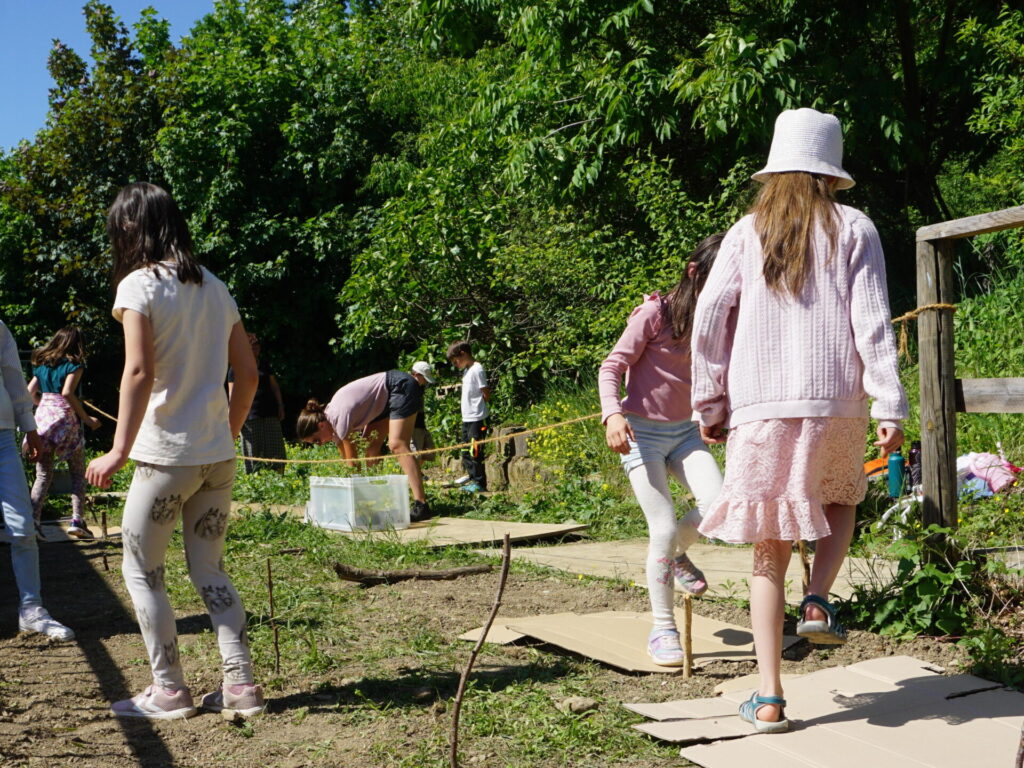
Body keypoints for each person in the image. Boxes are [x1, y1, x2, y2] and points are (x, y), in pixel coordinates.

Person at [691, 108, 906, 733]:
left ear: (774, 171)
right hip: (837, 400)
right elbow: (872, 321)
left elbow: (708, 321)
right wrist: (889, 403)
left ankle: (769, 697)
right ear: (831, 173)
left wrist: (710, 401)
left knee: (769, 545)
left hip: (760, 408)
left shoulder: (744, 232)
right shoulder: (855, 227)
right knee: (840, 499)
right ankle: (818, 600)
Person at [85, 182, 264, 720]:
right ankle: (241, 686)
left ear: (130, 229)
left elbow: (139, 371)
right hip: (216, 458)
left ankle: (168, 690)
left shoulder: (139, 285)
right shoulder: (215, 285)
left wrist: (117, 451)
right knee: (209, 567)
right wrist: (226, 435)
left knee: (142, 571)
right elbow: (249, 374)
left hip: (165, 458)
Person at [598, 234, 725, 667]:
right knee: (664, 528)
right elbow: (612, 365)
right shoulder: (655, 313)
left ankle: (675, 557)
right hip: (640, 434)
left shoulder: (718, 320)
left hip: (687, 432)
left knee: (720, 505)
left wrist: (719, 414)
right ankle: (662, 628)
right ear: (695, 274)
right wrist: (613, 415)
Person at [0, 319, 75, 641]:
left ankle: (32, 609)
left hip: (3, 437)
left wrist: (30, 429)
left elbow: (14, 379)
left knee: (22, 527)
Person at [296, 368, 434, 522]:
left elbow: (353, 463)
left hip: (399, 386)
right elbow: (347, 461)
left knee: (397, 444)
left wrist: (355, 502)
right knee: (370, 450)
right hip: (382, 402)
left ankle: (421, 505)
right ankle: (379, 502)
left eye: (317, 440)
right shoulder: (332, 423)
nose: (320, 444)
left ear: (321, 425)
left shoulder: (338, 417)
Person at [26, 326, 102, 539]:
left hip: (42, 419)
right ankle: (77, 521)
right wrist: (88, 420)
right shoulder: (74, 365)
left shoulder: (41, 364)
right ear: (77, 344)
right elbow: (68, 393)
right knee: (77, 473)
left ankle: (33, 522)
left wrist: (43, 404)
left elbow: (29, 393)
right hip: (65, 421)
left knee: (43, 474)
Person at [228, 333, 287, 474]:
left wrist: (280, 405)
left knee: (275, 448)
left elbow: (274, 386)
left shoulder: (265, 365)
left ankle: (278, 476)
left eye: (257, 346)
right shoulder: (236, 368)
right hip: (249, 415)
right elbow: (232, 394)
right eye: (251, 347)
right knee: (253, 450)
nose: (255, 350)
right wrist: (234, 417)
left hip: (270, 412)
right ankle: (255, 479)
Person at [447, 341, 489, 493]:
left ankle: (479, 482)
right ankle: (472, 478)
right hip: (467, 417)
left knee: (474, 451)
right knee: (466, 451)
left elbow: (485, 392)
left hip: (476, 417)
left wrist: (480, 407)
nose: (455, 364)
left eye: (456, 361)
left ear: (463, 353)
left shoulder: (477, 369)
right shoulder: (466, 371)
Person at [410, 361, 437, 466]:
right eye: (424, 378)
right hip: (413, 425)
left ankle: (418, 473)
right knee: (415, 452)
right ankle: (413, 476)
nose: (425, 382)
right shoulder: (409, 386)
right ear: (416, 374)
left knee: (428, 449)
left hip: (421, 424)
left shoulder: (419, 387)